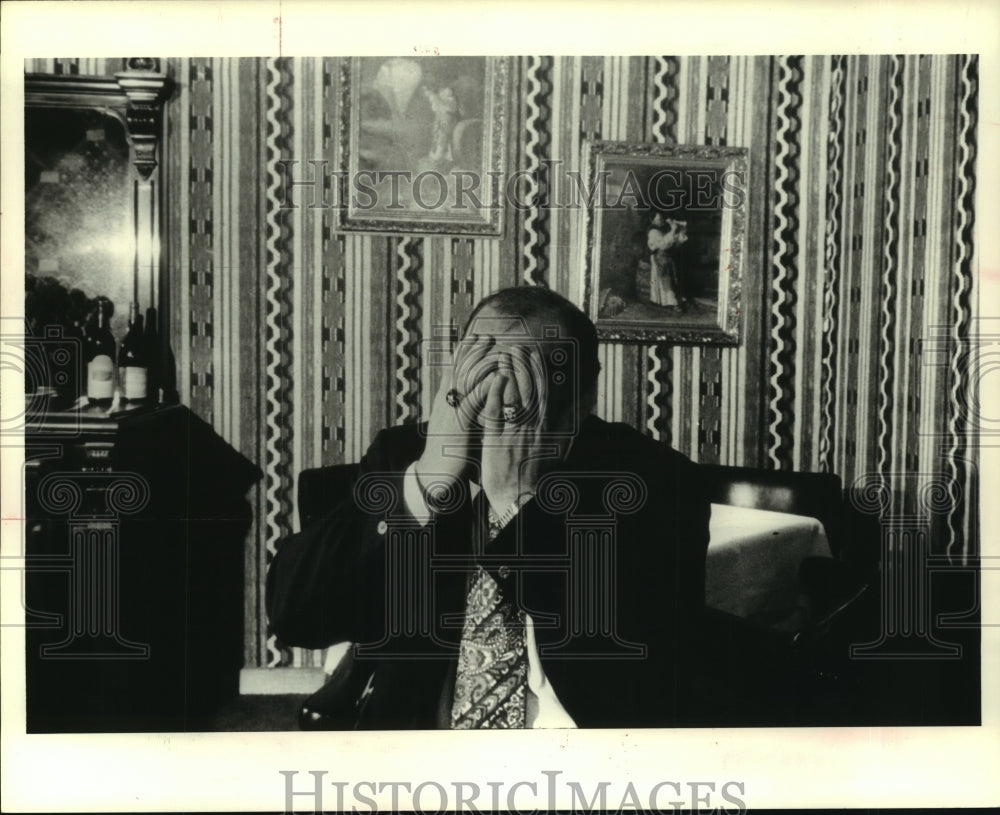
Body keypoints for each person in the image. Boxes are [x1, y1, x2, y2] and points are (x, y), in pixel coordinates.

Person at [266, 286, 711, 729]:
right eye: (479, 376)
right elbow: (297, 616)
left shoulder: (653, 478)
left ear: (582, 397)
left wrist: (517, 506)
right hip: (424, 753)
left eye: (524, 384)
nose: (495, 406)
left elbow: (641, 686)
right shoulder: (405, 454)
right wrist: (426, 482)